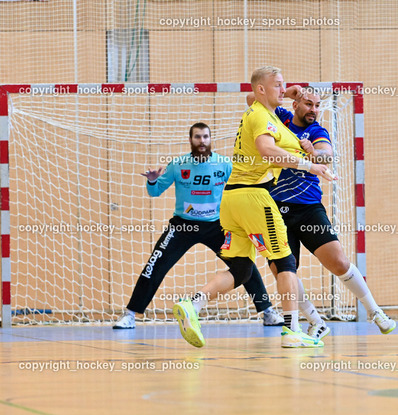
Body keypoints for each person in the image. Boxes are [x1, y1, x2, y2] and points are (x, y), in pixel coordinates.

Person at [172, 66, 335, 348]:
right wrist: (309, 165)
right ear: (261, 89)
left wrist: (288, 94)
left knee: (241, 269)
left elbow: (260, 108)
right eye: (278, 84)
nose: (284, 89)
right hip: (254, 197)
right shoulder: (263, 116)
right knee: (285, 262)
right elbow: (267, 150)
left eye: (284, 84)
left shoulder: (262, 112)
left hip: (232, 200)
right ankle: (292, 330)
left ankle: (193, 304)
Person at [246, 86, 396, 339]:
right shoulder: (280, 118)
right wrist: (289, 91)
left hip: (308, 208)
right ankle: (315, 321)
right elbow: (252, 98)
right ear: (296, 105)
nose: (314, 110)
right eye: (308, 104)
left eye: (317, 105)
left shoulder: (316, 131)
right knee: (283, 272)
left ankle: (375, 311)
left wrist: (314, 153)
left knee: (339, 262)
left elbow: (327, 155)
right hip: (275, 209)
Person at [113, 122, 284, 329]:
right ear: (190, 140)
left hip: (217, 226)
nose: (202, 141)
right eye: (197, 137)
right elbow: (155, 192)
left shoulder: (224, 164)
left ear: (210, 139)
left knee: (244, 263)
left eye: (205, 137)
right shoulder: (178, 165)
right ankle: (130, 314)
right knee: (155, 265)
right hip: (183, 226)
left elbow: (242, 188)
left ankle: (267, 311)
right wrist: (152, 181)